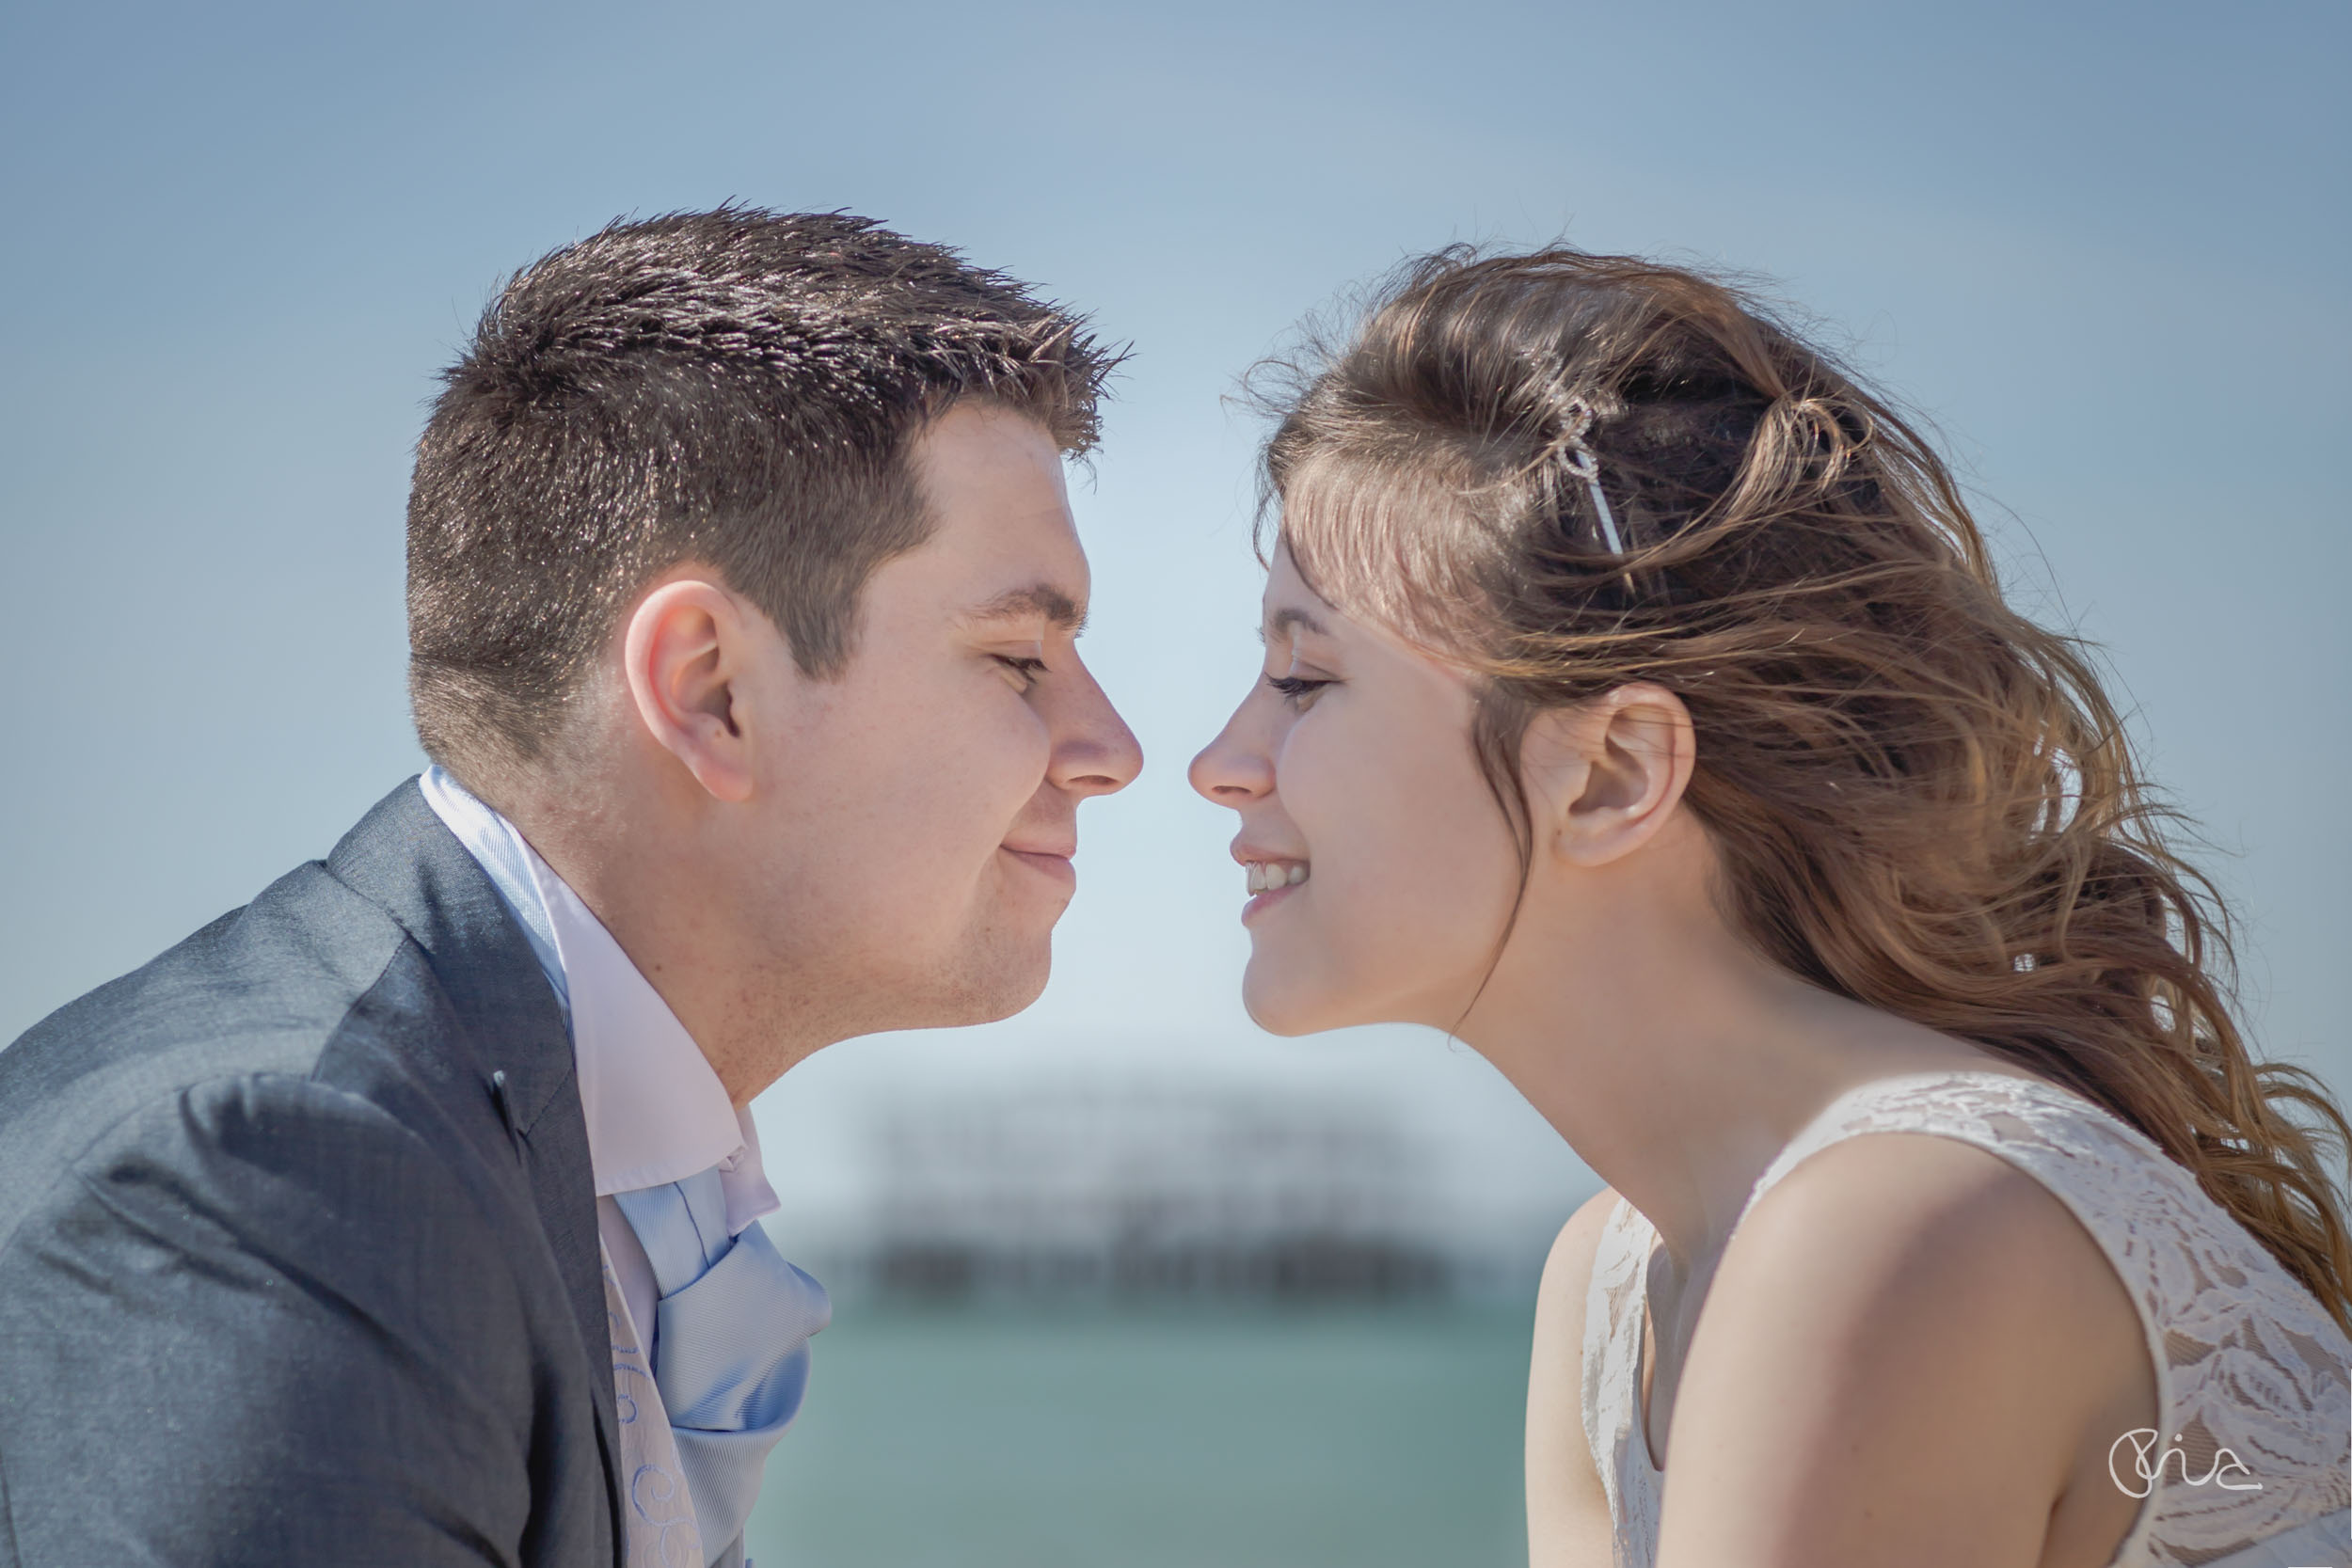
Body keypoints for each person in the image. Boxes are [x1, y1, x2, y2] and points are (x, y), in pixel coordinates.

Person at [0, 208, 1140, 1566]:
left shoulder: (504, 1127)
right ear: (712, 692)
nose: (1112, 749)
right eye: (1020, 657)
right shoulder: (279, 1182)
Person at [1189, 245, 2350, 1567]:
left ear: (1613, 774)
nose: (1217, 763)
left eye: (1302, 679)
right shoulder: (1618, 1279)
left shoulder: (1894, 1227)